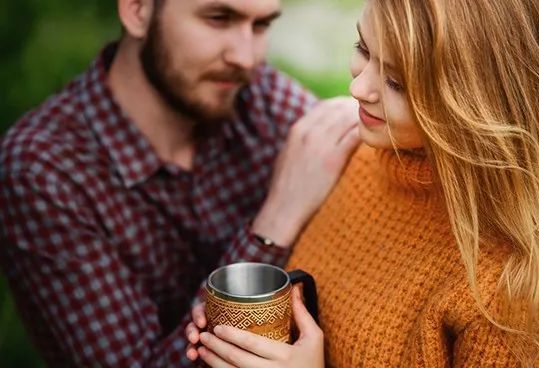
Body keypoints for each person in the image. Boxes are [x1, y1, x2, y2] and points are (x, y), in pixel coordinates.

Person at [186, 0, 539, 366]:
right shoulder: (352, 152)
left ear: (480, 102)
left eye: (397, 81)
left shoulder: (519, 286)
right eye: (363, 49)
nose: (359, 87)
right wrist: (237, 335)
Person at [0, 0, 360, 366]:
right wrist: (277, 220)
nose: (246, 58)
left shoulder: (254, 94)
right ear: (138, 10)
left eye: (261, 26)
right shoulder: (44, 168)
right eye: (219, 19)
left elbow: (362, 163)